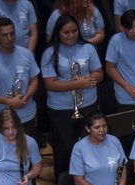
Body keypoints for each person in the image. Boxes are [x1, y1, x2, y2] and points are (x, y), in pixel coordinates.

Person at [41, 15, 104, 176]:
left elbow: (99, 73)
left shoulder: (88, 48)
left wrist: (89, 79)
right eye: (66, 32)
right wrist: (77, 84)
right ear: (58, 33)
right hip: (61, 109)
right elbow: (50, 84)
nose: (71, 35)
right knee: (65, 149)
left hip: (88, 104)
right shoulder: (50, 53)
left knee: (89, 146)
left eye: (74, 31)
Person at [0, 17, 41, 131]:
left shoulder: (27, 54)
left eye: (12, 33)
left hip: (27, 115)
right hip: (1, 118)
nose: (9, 38)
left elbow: (34, 80)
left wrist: (25, 98)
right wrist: (9, 102)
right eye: (4, 35)